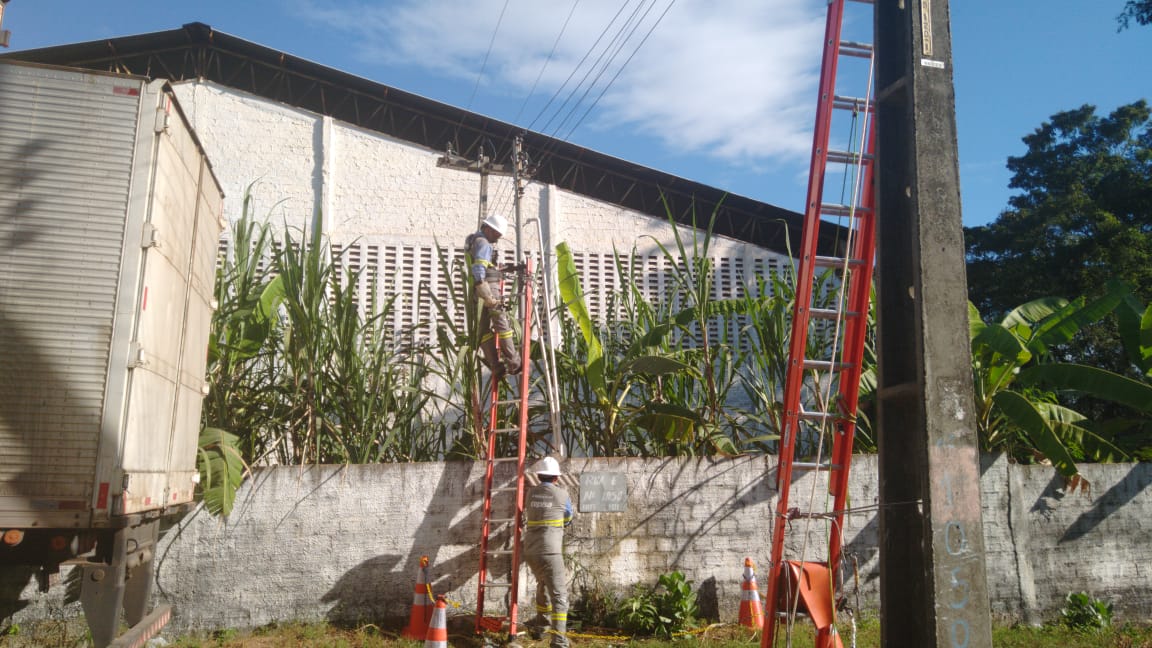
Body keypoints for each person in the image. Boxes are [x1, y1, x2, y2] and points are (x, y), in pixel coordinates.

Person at [523, 456, 573, 647]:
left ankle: (541, 627)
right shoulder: (562, 495)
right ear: (556, 477)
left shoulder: (530, 493)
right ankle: (559, 641)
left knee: (542, 585)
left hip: (530, 551)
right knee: (559, 596)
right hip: (550, 551)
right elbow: (568, 517)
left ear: (540, 475)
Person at [465, 213, 521, 377]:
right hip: (488, 287)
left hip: (475, 292)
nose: (497, 238)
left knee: (482, 330)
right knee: (501, 323)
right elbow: (478, 268)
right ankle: (514, 362)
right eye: (496, 234)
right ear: (488, 228)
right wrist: (487, 293)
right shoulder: (484, 243)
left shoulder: (472, 240)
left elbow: (477, 265)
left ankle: (496, 367)